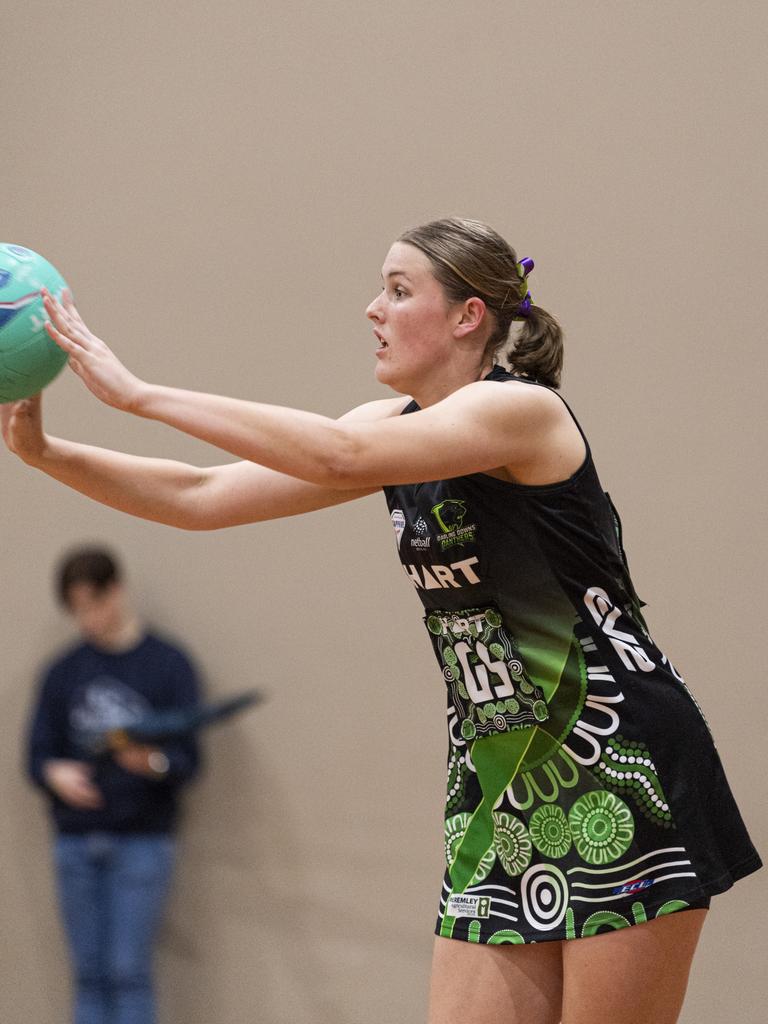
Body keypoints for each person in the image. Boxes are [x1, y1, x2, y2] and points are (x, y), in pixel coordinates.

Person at [2, 217, 760, 1024]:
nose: (374, 308)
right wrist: (48, 454)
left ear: (468, 316)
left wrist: (140, 394)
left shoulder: (521, 413)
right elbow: (199, 497)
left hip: (618, 761)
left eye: (399, 291)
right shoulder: (391, 429)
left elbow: (337, 456)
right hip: (499, 779)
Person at [26, 546, 201, 1024]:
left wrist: (152, 761)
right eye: (75, 610)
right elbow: (36, 756)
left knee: (128, 971)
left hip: (143, 842)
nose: (86, 620)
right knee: (89, 974)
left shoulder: (169, 665)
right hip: (76, 841)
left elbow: (189, 762)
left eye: (92, 605)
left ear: (116, 592)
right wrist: (55, 774)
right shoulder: (62, 672)